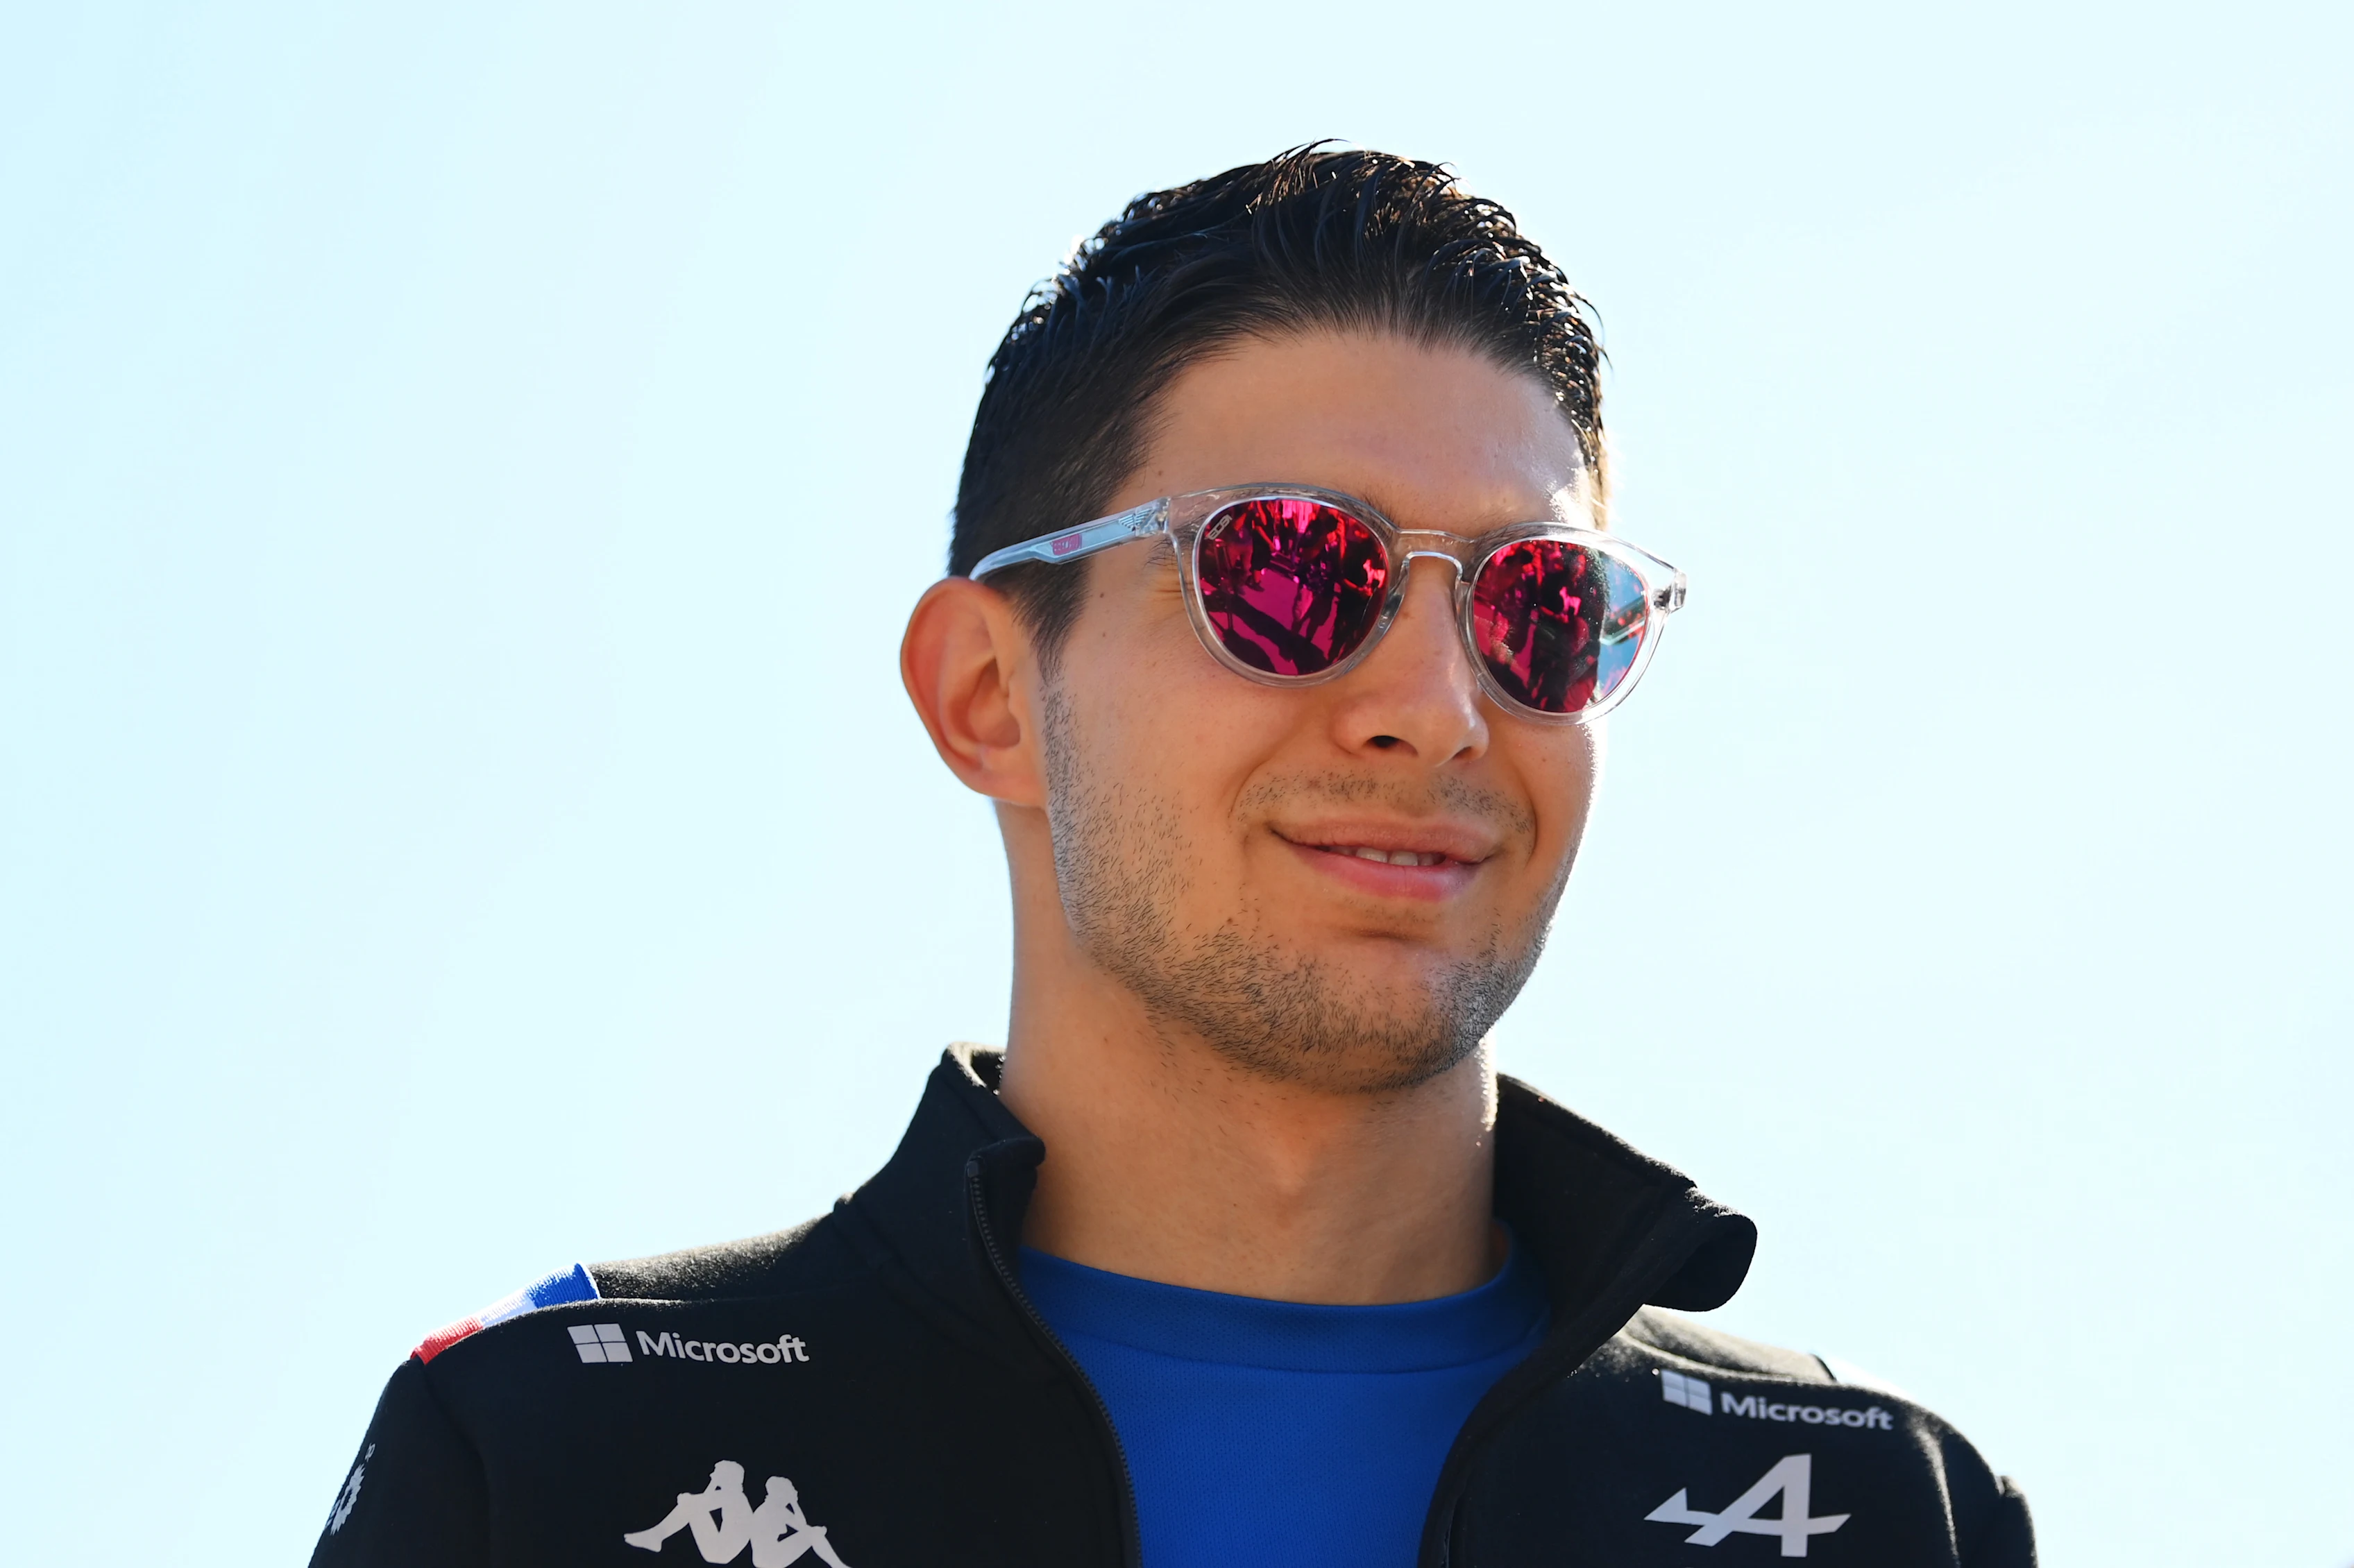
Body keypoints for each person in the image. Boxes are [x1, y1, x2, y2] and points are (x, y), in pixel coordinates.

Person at [310, 145, 2035, 1567]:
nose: (1437, 710)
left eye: (1540, 608)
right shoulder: (560, 1452)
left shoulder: (1896, 1513)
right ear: (988, 690)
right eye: (1290, 572)